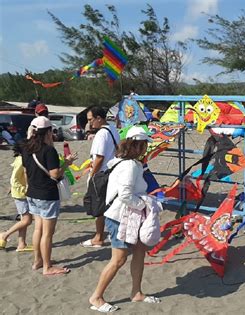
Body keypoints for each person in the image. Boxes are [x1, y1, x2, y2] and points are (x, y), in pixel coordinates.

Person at [89, 127, 160, 312]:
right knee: (118, 259)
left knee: (139, 251)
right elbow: (125, 195)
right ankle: (96, 297)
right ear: (139, 145)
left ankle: (136, 292)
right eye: (145, 145)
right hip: (121, 216)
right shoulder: (129, 166)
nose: (147, 149)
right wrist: (145, 204)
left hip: (130, 216)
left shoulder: (124, 162)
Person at [21, 116, 77, 275]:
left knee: (38, 228)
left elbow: (26, 172)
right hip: (46, 194)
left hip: (32, 192)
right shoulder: (48, 150)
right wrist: (67, 163)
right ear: (48, 132)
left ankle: (37, 261)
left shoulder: (26, 147)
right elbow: (54, 174)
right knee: (47, 233)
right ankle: (47, 267)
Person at [81, 107, 120, 248]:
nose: (90, 123)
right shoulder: (113, 129)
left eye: (91, 120)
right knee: (110, 205)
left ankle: (98, 237)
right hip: (112, 172)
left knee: (99, 206)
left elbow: (99, 158)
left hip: (102, 174)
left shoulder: (101, 134)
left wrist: (92, 176)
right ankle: (110, 233)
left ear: (99, 118)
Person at [0, 143, 33, 252]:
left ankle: (21, 244)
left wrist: (12, 186)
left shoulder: (19, 158)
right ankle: (4, 235)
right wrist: (27, 187)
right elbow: (24, 173)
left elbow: (15, 175)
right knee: (27, 220)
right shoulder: (23, 159)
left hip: (18, 191)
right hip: (21, 192)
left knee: (24, 219)